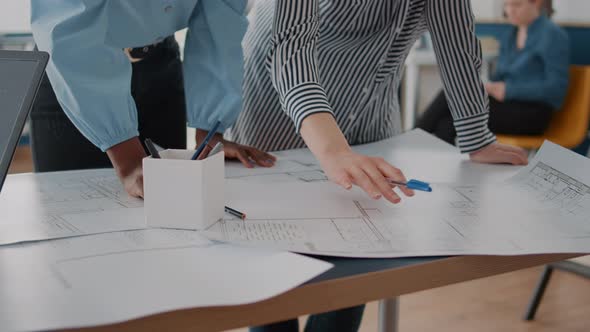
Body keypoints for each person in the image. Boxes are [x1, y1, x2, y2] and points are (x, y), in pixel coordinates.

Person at [195, 1, 529, 331]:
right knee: (276, 248)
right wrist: (332, 149)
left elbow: (456, 38)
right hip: (281, 87)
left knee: (362, 239)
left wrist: (476, 136)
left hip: (371, 97)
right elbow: (291, 47)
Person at [30, 0, 276, 198]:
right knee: (73, 228)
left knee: (168, 227)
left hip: (160, 68)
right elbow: (71, 30)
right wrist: (127, 159)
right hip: (72, 77)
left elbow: (219, 20)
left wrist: (210, 133)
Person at [417, 0, 569, 146]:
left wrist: (508, 90)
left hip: (532, 114)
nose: (510, 11)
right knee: (448, 120)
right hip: (506, 106)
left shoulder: (553, 35)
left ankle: (412, 140)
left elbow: (556, 90)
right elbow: (499, 78)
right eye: (507, 5)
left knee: (450, 104)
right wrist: (486, 87)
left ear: (536, 2)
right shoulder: (510, 35)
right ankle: (420, 152)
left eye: (516, 4)